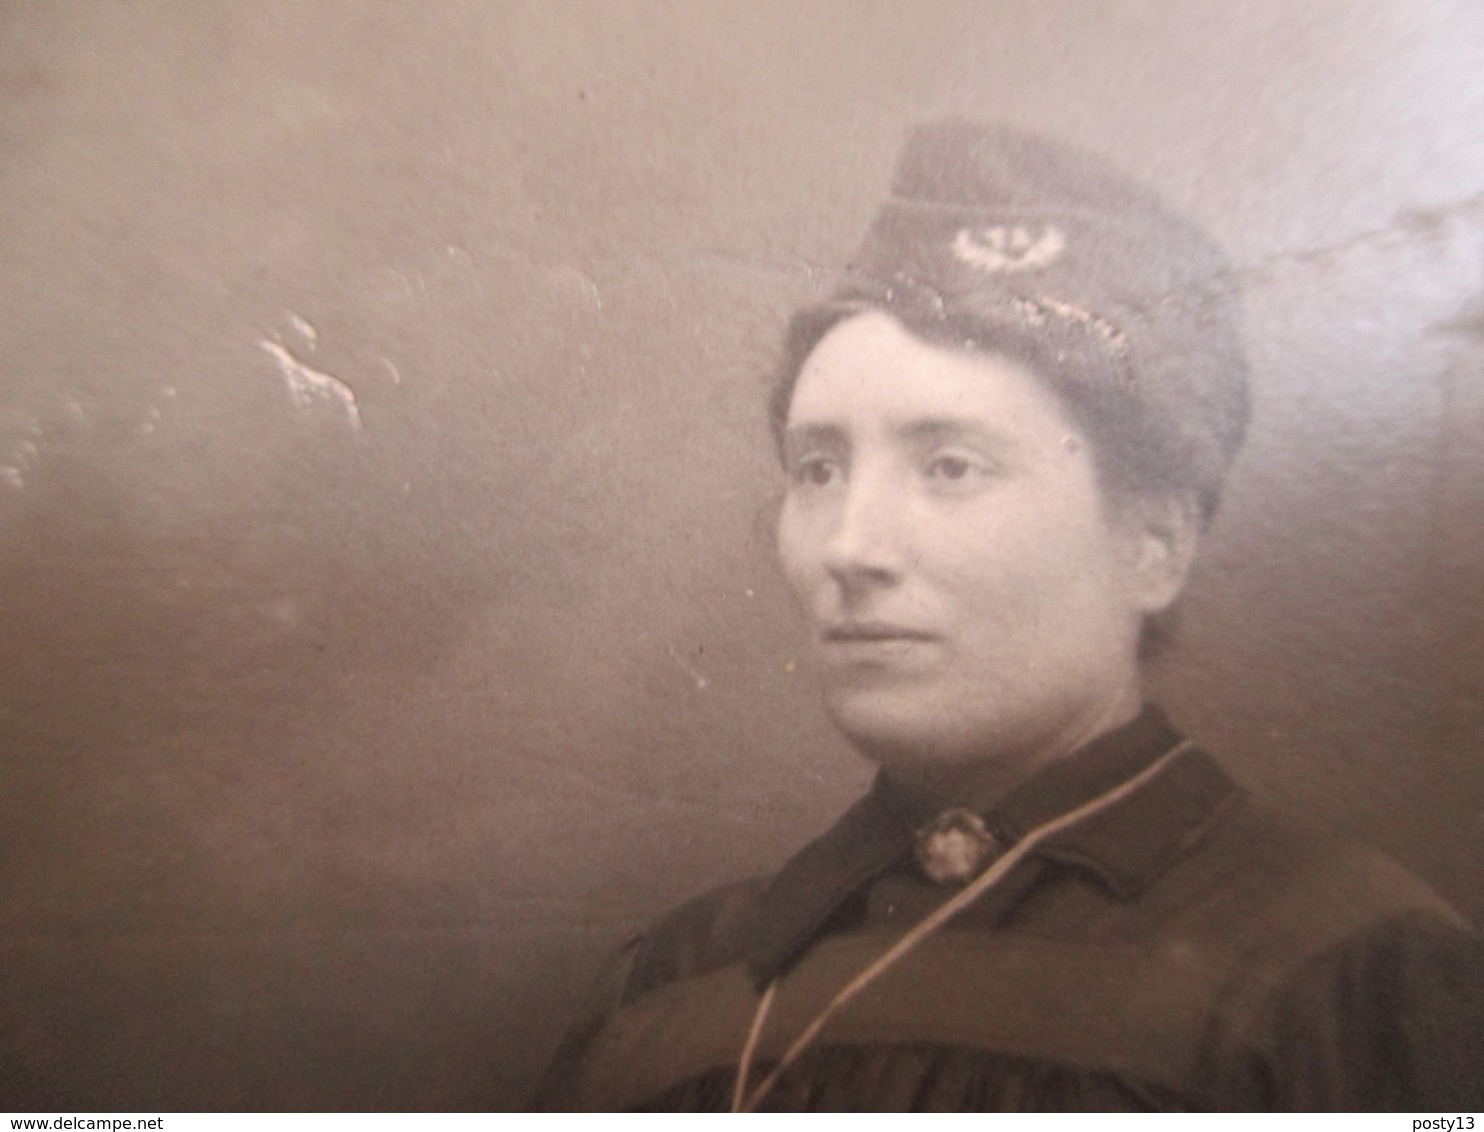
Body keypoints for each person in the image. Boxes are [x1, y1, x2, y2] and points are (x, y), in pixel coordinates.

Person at [531, 120, 1484, 1111]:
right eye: (816, 469)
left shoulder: (1343, 970)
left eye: (950, 467)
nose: (850, 546)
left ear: (1151, 544)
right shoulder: (685, 973)